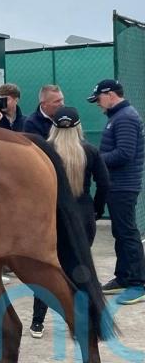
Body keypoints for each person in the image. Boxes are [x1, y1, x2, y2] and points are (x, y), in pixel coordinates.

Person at [29, 106, 110, 338]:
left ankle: (37, 322)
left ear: (53, 127)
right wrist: (96, 209)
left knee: (48, 267)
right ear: (78, 126)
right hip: (82, 215)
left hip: (52, 215)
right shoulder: (90, 151)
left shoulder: (43, 151)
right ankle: (81, 324)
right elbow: (104, 183)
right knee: (80, 269)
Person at [88, 79, 145, 305]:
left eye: (99, 99)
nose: (97, 104)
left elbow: (124, 154)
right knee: (120, 232)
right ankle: (124, 277)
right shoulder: (118, 116)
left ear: (110, 95)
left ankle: (138, 283)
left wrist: (95, 158)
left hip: (124, 186)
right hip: (117, 185)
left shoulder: (125, 117)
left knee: (127, 233)